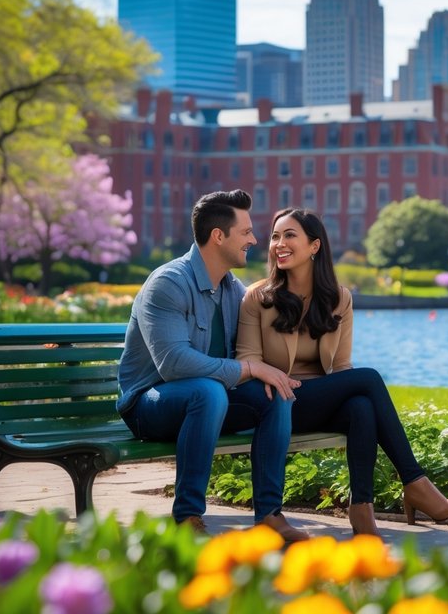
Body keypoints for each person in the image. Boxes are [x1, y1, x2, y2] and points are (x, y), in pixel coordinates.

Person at [237, 207, 448, 538]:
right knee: (369, 379)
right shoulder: (258, 297)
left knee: (361, 406)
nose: (279, 243)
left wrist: (335, 393)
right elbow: (247, 360)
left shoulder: (339, 299)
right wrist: (273, 377)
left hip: (316, 401)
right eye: (275, 236)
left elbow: (341, 369)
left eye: (290, 235)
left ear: (315, 246)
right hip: (276, 402)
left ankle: (362, 510)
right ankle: (415, 483)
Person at [117, 190, 308, 541]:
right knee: (208, 391)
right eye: (246, 232)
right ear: (218, 236)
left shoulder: (233, 291)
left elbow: (254, 350)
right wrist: (250, 370)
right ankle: (188, 516)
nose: (254, 240)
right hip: (149, 406)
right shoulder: (168, 284)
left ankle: (269, 515)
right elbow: (173, 363)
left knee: (275, 394)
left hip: (210, 401)